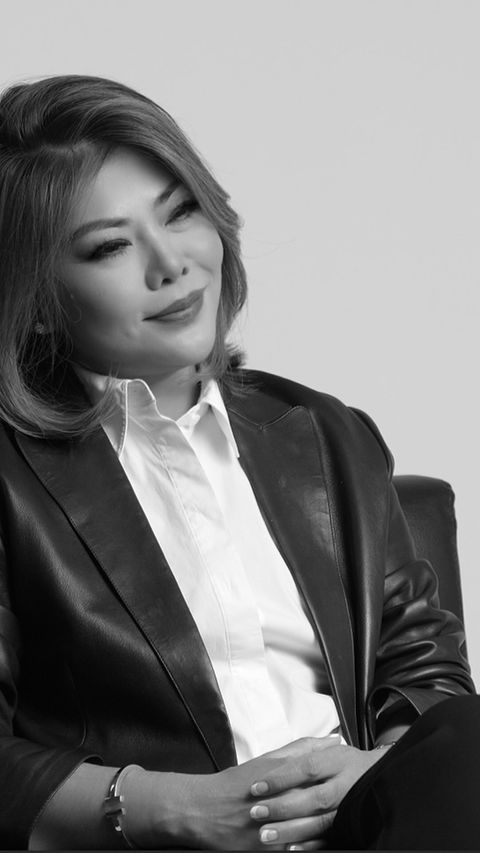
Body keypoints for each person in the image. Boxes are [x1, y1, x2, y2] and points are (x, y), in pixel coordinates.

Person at [0, 74, 478, 851]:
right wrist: (177, 809)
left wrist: (375, 775)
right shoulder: (12, 474)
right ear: (39, 301)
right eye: (110, 246)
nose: (172, 264)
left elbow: (425, 672)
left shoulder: (326, 434)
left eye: (181, 211)